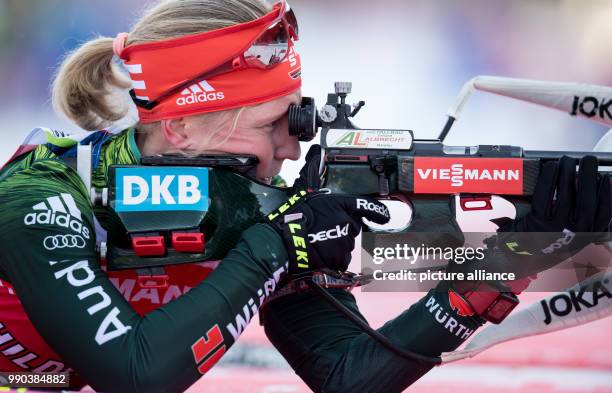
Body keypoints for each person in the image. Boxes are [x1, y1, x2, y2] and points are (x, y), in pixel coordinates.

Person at [0, 1, 609, 392]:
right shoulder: (39, 196)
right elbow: (134, 374)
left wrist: (509, 263)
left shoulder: (249, 205)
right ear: (181, 128)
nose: (291, 149)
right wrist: (272, 249)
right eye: (272, 126)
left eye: (296, 124)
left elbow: (348, 374)